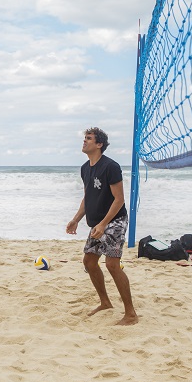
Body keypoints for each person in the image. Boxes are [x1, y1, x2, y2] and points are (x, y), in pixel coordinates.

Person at [66, 127, 138, 326]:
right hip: (98, 223)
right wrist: (76, 219)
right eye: (84, 138)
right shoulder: (85, 168)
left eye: (88, 139)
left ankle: (131, 314)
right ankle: (105, 302)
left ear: (99, 144)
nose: (84, 141)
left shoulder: (110, 167)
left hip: (114, 220)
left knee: (112, 265)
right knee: (89, 262)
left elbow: (119, 199)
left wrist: (104, 223)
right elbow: (87, 197)